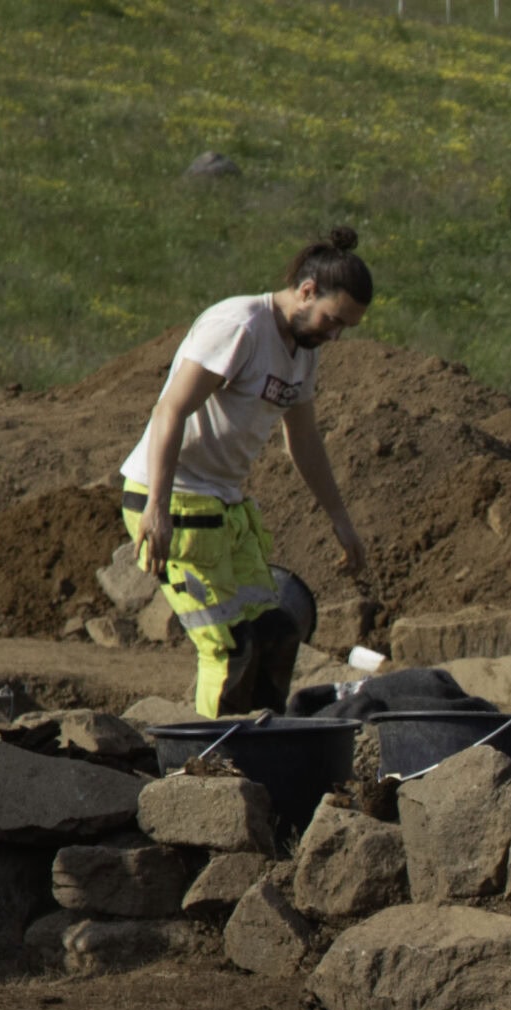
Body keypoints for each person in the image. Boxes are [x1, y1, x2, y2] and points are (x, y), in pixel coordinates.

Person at [120, 229, 374, 717]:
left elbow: (303, 438)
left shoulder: (304, 347)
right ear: (306, 291)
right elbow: (170, 410)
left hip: (223, 507)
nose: (335, 334)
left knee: (275, 632)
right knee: (229, 648)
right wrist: (157, 505)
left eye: (345, 327)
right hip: (174, 500)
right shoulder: (240, 326)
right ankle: (211, 772)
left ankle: (265, 756)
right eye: (332, 320)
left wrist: (340, 519)